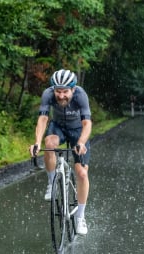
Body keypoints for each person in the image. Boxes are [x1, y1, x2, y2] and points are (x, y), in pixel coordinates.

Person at [29, 69, 92, 235]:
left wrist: (81, 142)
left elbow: (87, 123)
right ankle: (52, 183)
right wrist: (36, 142)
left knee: (82, 174)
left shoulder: (80, 96)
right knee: (49, 143)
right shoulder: (48, 94)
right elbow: (43, 119)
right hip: (58, 127)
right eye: (58, 91)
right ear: (53, 89)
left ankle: (80, 217)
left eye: (65, 92)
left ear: (72, 89)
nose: (61, 95)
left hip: (78, 130)